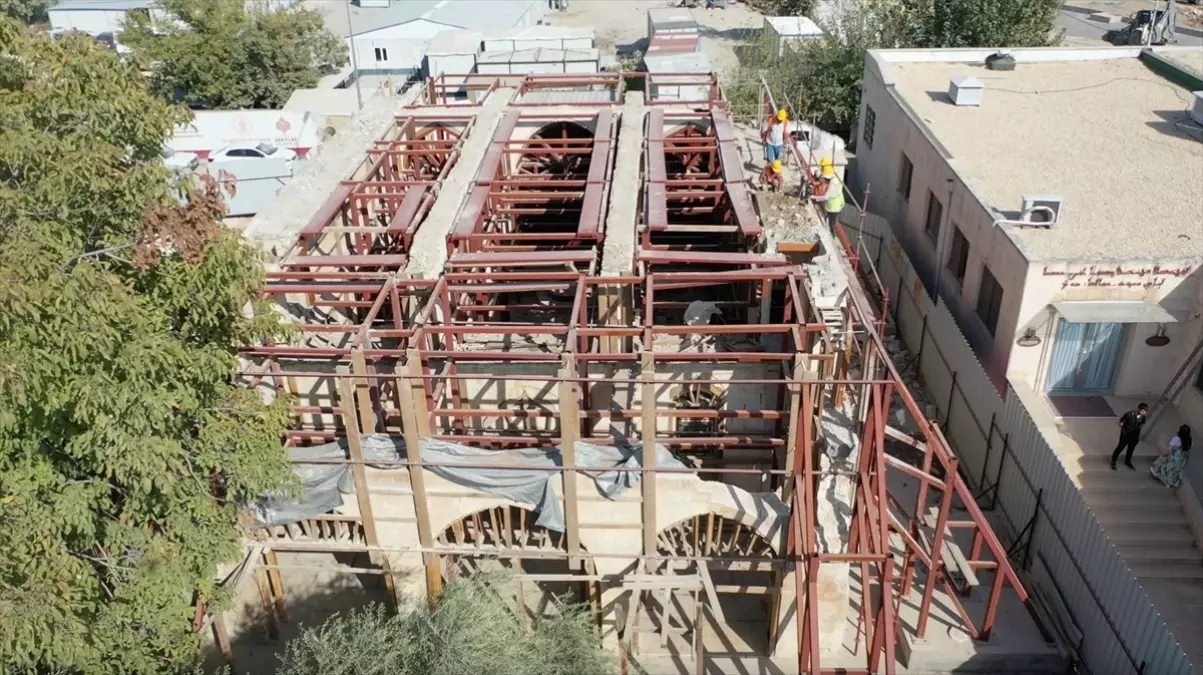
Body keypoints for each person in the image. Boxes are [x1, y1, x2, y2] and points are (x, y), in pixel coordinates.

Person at [1110, 402, 1149, 470]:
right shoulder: (1129, 414)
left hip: (1134, 437)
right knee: (1120, 448)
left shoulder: (1143, 418)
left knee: (1131, 449)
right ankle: (1113, 461)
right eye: (1142, 411)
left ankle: (1128, 461)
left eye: (1145, 411)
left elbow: (1142, 424)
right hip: (1125, 436)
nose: (1144, 413)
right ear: (1138, 409)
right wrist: (1123, 431)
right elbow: (1121, 422)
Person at [810, 164, 845, 228]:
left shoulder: (832, 184)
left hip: (834, 206)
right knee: (831, 219)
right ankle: (829, 228)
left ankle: (831, 235)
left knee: (832, 223)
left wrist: (813, 197)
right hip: (838, 203)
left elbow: (825, 197)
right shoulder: (834, 178)